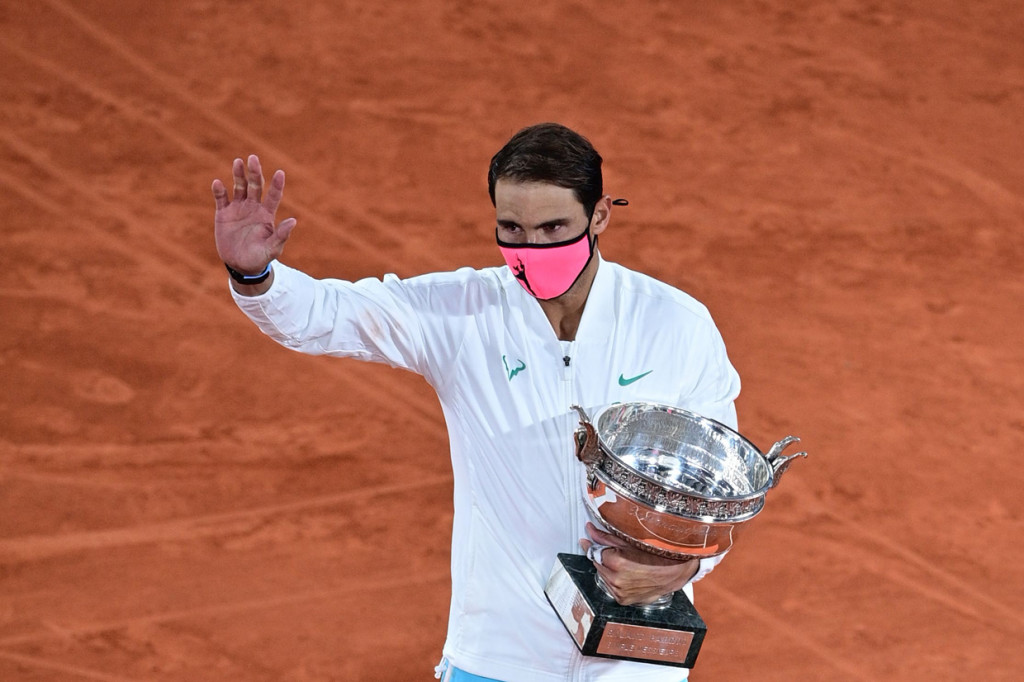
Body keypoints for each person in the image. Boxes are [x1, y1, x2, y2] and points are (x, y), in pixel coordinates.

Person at [212, 123, 741, 681]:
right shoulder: (462, 313)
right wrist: (254, 275)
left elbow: (720, 490)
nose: (532, 249)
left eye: (553, 228)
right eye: (512, 229)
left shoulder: (676, 325)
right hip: (497, 657)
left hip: (633, 667)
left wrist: (685, 569)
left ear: (600, 216)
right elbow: (328, 314)